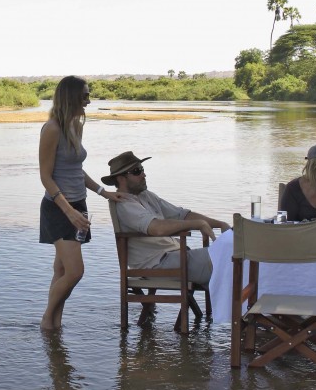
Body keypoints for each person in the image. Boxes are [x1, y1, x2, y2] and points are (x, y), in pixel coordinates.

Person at [38, 75, 122, 332]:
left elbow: (76, 170)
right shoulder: (51, 129)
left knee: (61, 268)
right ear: (71, 97)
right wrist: (69, 211)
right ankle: (46, 320)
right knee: (75, 272)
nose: (89, 100)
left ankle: (55, 326)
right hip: (59, 208)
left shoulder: (76, 126)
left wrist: (102, 191)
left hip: (78, 205)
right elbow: (45, 176)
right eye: (84, 95)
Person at [104, 150, 229, 294]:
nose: (144, 174)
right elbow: (157, 228)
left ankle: (232, 309)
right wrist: (197, 224)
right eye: (137, 171)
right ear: (121, 179)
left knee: (230, 257)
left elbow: (182, 215)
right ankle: (234, 311)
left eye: (142, 169)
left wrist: (220, 224)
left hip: (176, 256)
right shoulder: (124, 205)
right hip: (156, 264)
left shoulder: (146, 196)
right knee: (227, 258)